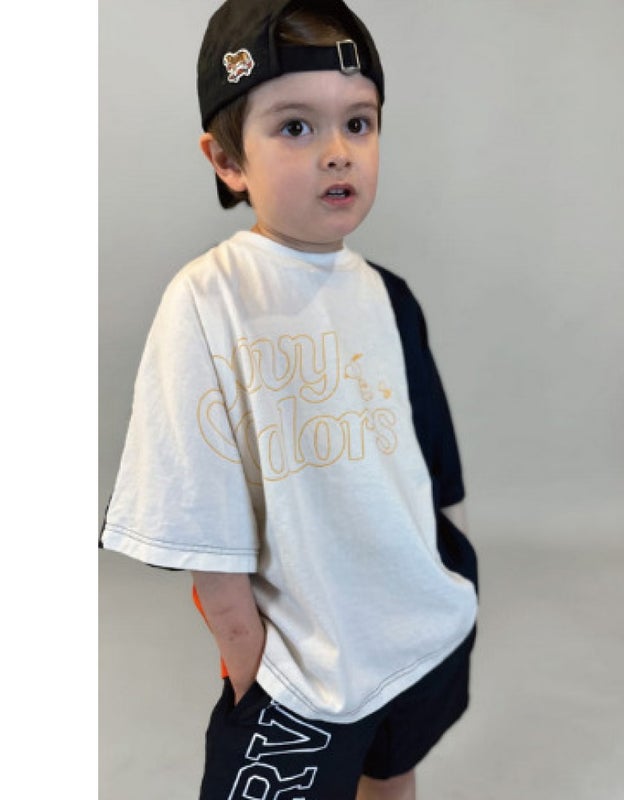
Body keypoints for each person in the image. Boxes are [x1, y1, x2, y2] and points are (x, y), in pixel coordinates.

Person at [100, 0, 479, 797]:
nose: (338, 152)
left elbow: (432, 477)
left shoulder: (389, 299)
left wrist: (450, 583)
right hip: (302, 667)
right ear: (227, 160)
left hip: (417, 630)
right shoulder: (210, 302)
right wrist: (247, 660)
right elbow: (195, 506)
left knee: (392, 772)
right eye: (297, 127)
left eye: (359, 123)